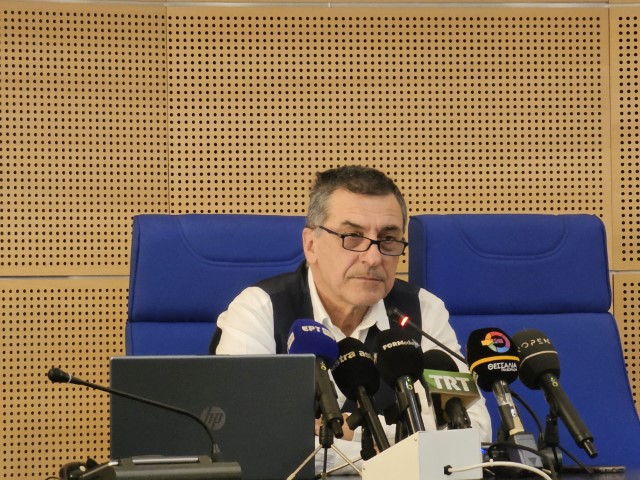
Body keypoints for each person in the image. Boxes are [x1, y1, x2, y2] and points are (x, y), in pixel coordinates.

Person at [210, 165, 492, 472]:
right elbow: (247, 438)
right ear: (311, 245)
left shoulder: (422, 311)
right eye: (353, 237)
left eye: (388, 239)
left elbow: (472, 433)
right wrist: (398, 447)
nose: (373, 257)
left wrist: (345, 433)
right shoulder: (260, 310)